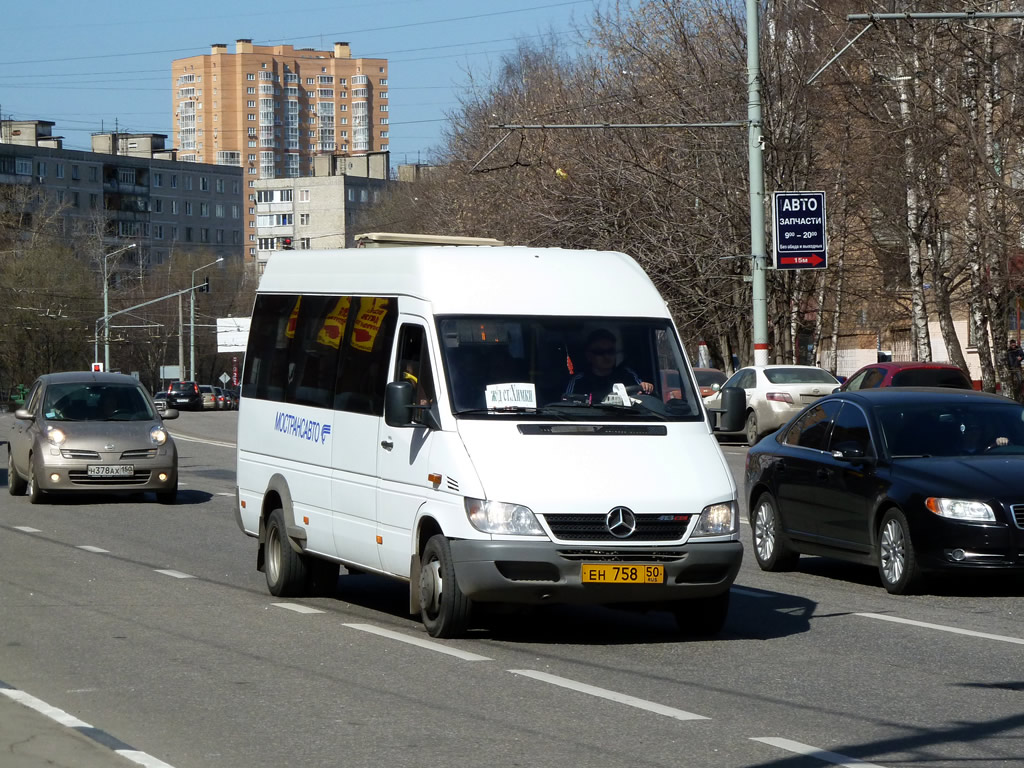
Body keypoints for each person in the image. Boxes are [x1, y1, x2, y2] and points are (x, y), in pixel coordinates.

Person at [564, 328, 654, 403]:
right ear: (589, 356)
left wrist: (646, 387)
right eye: (600, 352)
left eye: (610, 351)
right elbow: (567, 405)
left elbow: (643, 396)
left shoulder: (628, 374)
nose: (606, 356)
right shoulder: (578, 381)